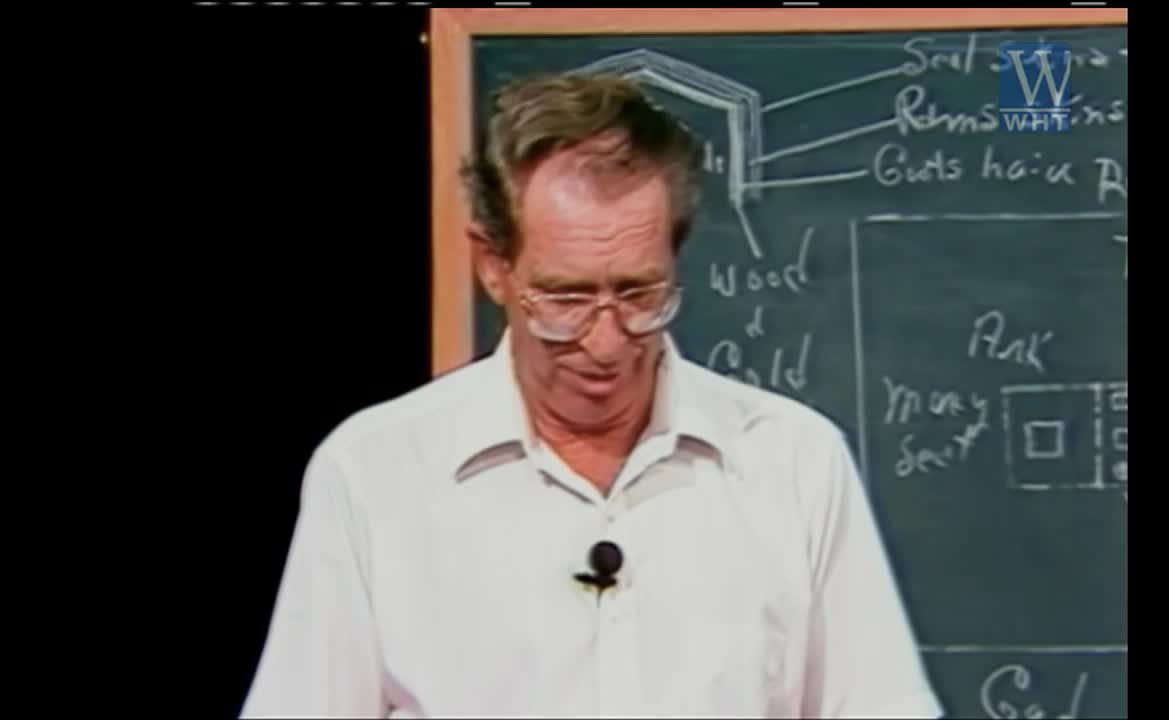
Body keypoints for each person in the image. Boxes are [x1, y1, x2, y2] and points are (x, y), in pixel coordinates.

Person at [240, 71, 943, 719]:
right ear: (494, 265)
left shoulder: (793, 461)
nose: (606, 343)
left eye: (640, 293)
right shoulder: (375, 472)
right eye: (565, 297)